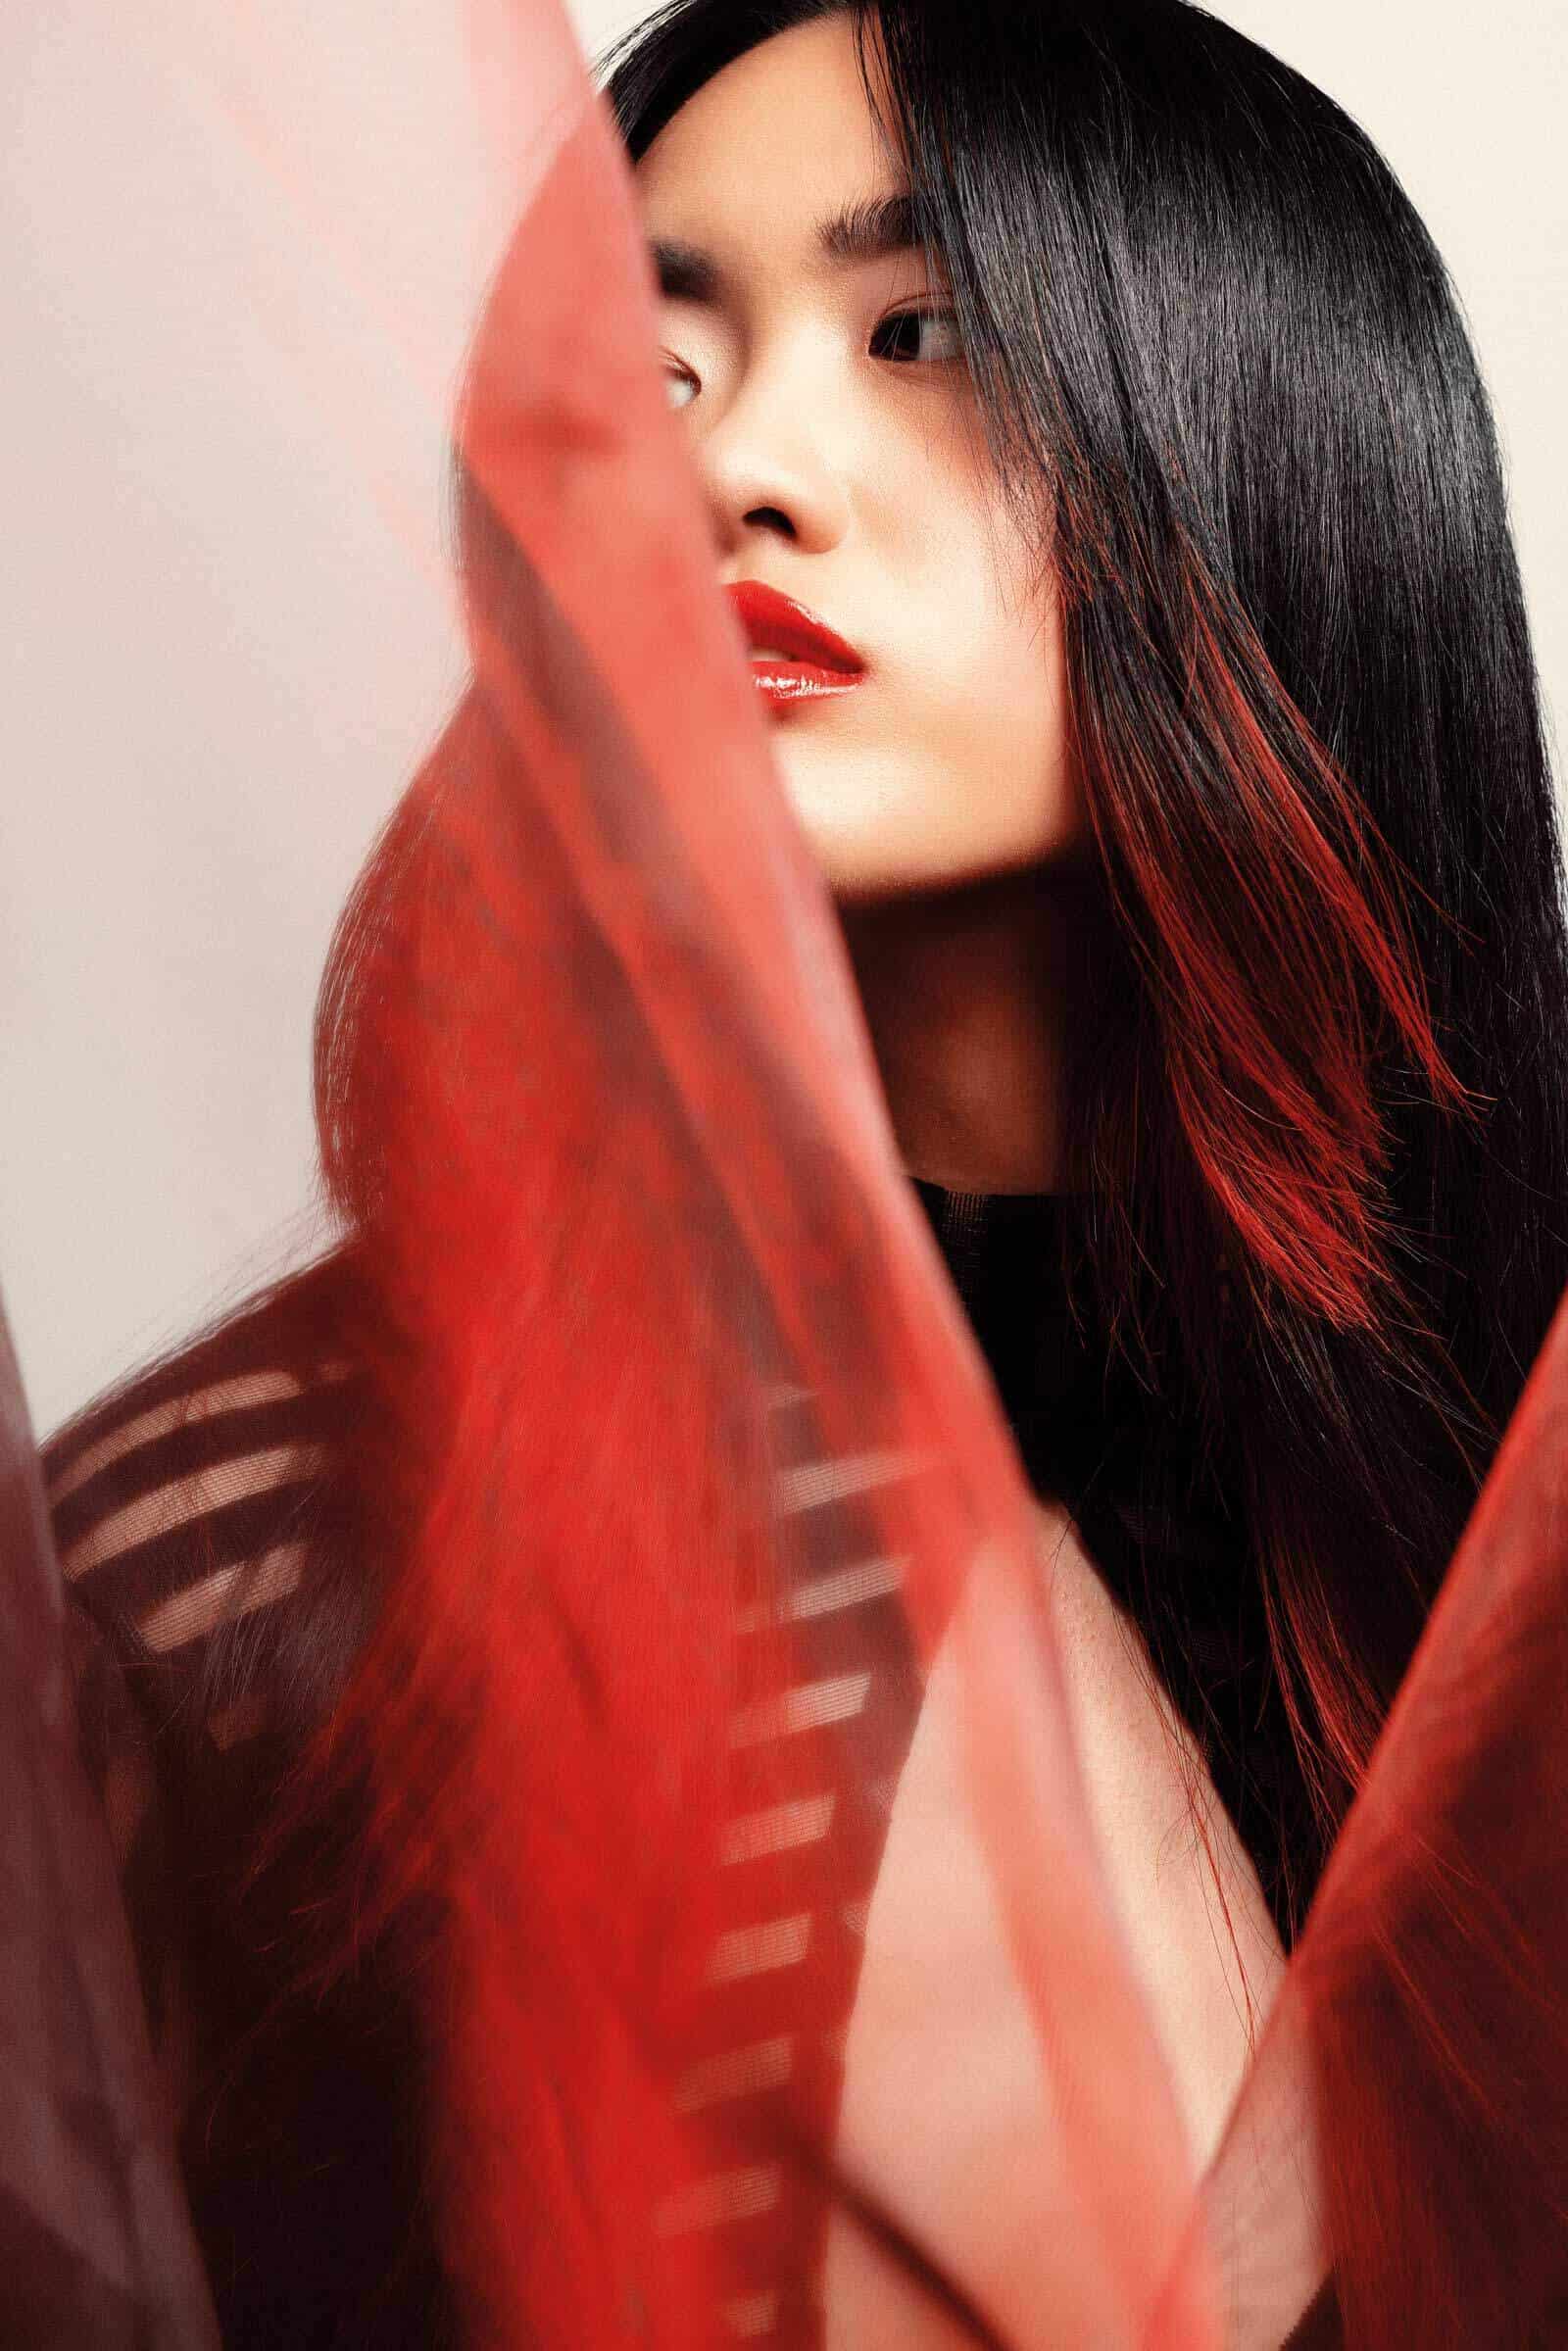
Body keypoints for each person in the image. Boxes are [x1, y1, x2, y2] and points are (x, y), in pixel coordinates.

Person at [35, 0, 1568, 2343]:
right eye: (638, 372)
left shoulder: (1477, 1488)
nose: (728, 467)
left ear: (1274, 445)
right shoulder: (253, 1578)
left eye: (919, 331)